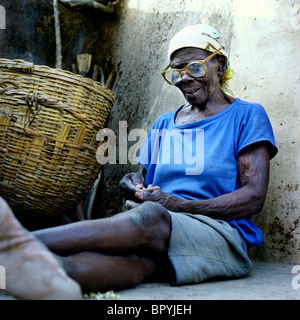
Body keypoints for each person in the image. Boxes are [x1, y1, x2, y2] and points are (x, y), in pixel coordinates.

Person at [1, 24, 278, 297]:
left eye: (195, 67)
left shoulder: (247, 115)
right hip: (162, 229)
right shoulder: (164, 123)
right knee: (135, 265)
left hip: (219, 235)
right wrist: (133, 184)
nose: (184, 78)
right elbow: (144, 181)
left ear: (221, 63)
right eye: (176, 72)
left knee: (151, 217)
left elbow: (253, 197)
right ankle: (26, 271)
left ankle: (17, 242)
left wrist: (179, 206)